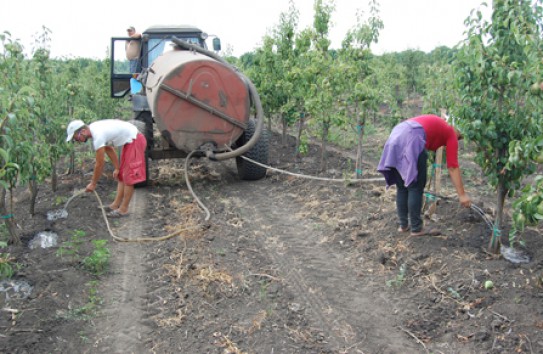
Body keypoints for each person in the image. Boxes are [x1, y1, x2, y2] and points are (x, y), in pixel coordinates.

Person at [377, 114, 471, 236]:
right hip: (412, 137)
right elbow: (452, 167)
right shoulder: (451, 132)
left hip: (397, 134)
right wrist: (462, 195)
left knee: (402, 186)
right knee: (416, 186)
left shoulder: (439, 124)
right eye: (461, 136)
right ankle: (416, 228)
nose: (459, 139)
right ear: (457, 127)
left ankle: (403, 225)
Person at [66, 119, 147, 217]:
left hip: (135, 141)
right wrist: (117, 168)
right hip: (130, 141)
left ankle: (123, 209)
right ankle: (115, 205)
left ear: (83, 131)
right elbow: (109, 149)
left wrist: (93, 183)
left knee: (129, 177)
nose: (77, 141)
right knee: (121, 175)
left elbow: (99, 164)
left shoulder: (97, 135)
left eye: (76, 138)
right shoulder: (94, 130)